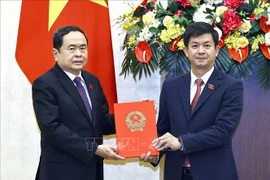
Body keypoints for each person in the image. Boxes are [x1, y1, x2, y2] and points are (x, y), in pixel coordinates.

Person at [140, 22, 243, 180]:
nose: (201, 51)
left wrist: (181, 142)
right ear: (186, 51)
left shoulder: (231, 86)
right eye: (195, 45)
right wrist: (154, 154)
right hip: (176, 175)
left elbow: (222, 131)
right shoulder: (171, 86)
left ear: (216, 50)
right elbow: (163, 129)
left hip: (215, 174)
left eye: (207, 45)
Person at [32, 25, 124, 180]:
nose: (78, 54)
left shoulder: (92, 81)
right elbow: (53, 129)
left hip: (92, 170)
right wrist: (94, 149)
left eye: (83, 48)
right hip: (61, 172)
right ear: (56, 53)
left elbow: (102, 122)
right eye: (72, 49)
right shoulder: (45, 84)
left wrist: (136, 114)